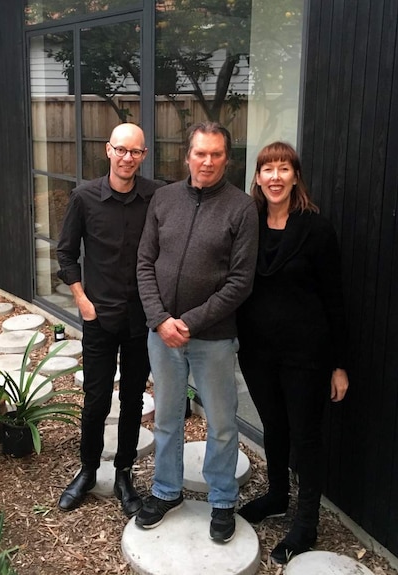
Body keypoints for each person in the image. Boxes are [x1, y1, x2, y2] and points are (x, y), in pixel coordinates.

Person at [135, 121, 258, 543]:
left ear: (227, 158)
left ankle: (223, 499)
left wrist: (189, 322)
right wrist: (159, 318)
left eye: (216, 154)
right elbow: (144, 262)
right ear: (187, 155)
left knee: (222, 423)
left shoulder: (241, 208)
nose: (207, 162)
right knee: (167, 419)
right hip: (161, 333)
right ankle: (166, 491)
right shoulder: (164, 198)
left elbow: (241, 282)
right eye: (200, 153)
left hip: (213, 339)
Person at [235, 141, 349, 564]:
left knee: (306, 436)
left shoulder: (316, 229)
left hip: (306, 354)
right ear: (258, 178)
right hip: (258, 351)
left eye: (284, 169)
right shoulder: (249, 222)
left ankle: (306, 523)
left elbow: (335, 299)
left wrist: (340, 364)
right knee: (274, 426)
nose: (276, 177)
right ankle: (278, 495)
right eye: (268, 169)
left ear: (295, 176)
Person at [56, 123, 162, 517]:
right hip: (98, 317)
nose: (127, 158)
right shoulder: (85, 197)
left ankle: (123, 474)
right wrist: (82, 300)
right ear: (108, 151)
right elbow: (66, 254)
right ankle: (87, 471)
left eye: (135, 152)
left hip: (140, 319)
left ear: (143, 155)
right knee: (96, 399)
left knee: (133, 400)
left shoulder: (156, 197)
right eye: (121, 150)